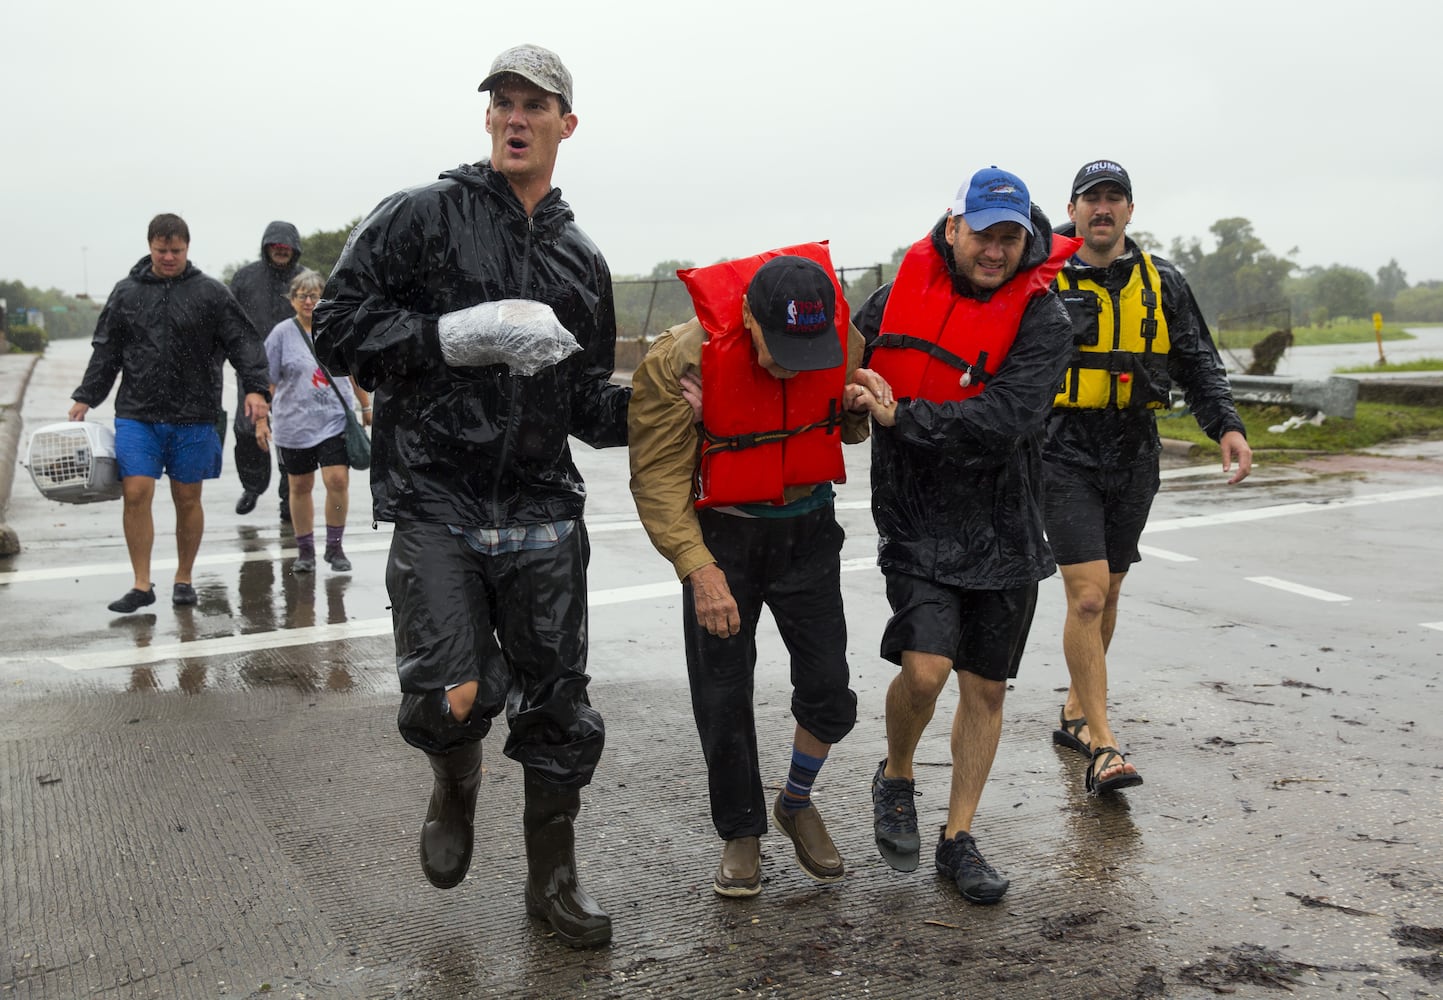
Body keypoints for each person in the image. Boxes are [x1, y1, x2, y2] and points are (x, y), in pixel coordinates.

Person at [312, 43, 629, 949]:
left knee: (558, 705)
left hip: (541, 509)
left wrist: (664, 406)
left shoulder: (581, 259)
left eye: (537, 105)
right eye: (504, 103)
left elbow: (584, 405)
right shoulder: (421, 217)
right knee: (447, 693)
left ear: (567, 124)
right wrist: (453, 335)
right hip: (436, 500)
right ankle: (454, 784)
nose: (517, 118)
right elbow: (337, 328)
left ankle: (553, 880)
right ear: (487, 118)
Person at [628, 249, 893, 899]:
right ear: (747, 316)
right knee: (721, 696)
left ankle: (796, 800)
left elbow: (841, 432)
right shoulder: (676, 360)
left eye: (805, 349)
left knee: (830, 690)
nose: (787, 363)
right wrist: (699, 571)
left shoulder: (839, 334)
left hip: (807, 530)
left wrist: (857, 404)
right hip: (724, 538)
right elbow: (658, 481)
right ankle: (740, 830)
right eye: (776, 347)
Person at [851, 167, 1077, 904]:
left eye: (1009, 238)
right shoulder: (887, 301)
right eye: (983, 233)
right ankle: (895, 774)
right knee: (924, 670)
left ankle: (957, 838)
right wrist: (855, 398)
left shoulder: (1044, 319)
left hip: (1005, 522)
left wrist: (901, 419)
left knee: (984, 686)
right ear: (952, 228)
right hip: (916, 518)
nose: (994, 250)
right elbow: (833, 374)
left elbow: (1007, 419)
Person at [1044, 160, 1252, 794]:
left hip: (1135, 448)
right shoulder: (1042, 281)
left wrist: (1228, 427)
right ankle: (1103, 746)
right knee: (1085, 596)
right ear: (1073, 211)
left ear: (1129, 211)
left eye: (1114, 199)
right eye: (1091, 200)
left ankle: (1078, 712)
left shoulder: (1164, 282)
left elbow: (1197, 363)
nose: (1102, 209)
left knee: (1108, 590)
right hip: (1062, 448)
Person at [69, 213, 271, 613]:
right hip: (137, 413)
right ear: (150, 247)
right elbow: (106, 349)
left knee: (187, 497)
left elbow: (244, 343)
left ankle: (184, 577)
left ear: (187, 248)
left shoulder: (210, 293)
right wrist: (86, 397)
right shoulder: (126, 293)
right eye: (161, 250)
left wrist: (257, 389)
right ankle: (141, 584)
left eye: (175, 251)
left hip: (194, 413)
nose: (168, 257)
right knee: (136, 492)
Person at [256, 269, 370, 574]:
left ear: (324, 299)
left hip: (334, 420)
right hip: (294, 425)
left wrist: (366, 406)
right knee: (300, 485)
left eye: (315, 295)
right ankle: (305, 550)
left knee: (337, 480)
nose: (308, 301)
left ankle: (335, 547)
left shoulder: (336, 330)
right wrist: (260, 419)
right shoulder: (281, 334)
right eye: (302, 295)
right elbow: (267, 381)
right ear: (292, 300)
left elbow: (353, 372)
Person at [229, 222, 303, 521]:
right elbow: (228, 320)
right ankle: (253, 486)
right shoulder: (245, 278)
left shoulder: (304, 280)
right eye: (276, 247)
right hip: (252, 367)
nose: (281, 252)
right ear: (266, 247)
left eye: (286, 248)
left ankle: (289, 498)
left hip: (293, 372)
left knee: (291, 436)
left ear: (294, 250)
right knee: (247, 431)